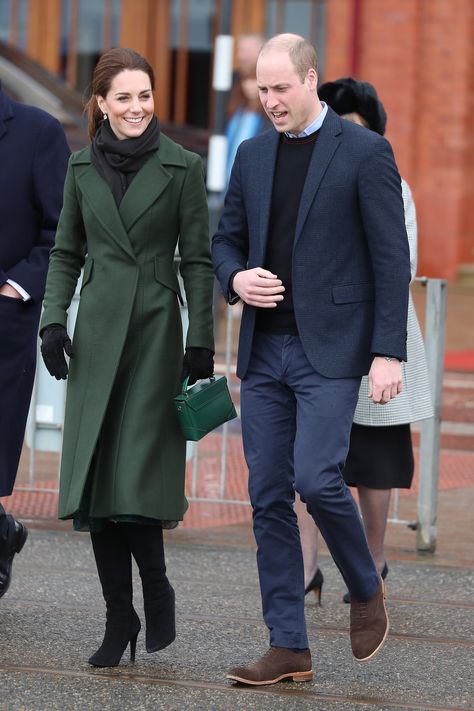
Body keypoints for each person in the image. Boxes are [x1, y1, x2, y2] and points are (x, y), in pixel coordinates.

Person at [212, 34, 411, 685]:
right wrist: (236, 278)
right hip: (264, 347)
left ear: (310, 80)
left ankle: (363, 583)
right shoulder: (251, 154)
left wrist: (388, 353)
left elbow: (391, 258)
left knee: (318, 477)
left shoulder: (364, 151)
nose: (270, 101)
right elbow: (226, 241)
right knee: (266, 492)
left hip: (331, 349)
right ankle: (287, 645)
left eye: (280, 88)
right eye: (261, 90)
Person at [39, 48, 214, 668]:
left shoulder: (183, 166)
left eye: (145, 96)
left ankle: (158, 587)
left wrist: (203, 338)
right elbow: (65, 253)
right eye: (124, 98)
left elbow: (196, 257)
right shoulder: (80, 165)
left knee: (134, 473)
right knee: (93, 479)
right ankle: (121, 617)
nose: (137, 108)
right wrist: (53, 322)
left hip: (155, 333)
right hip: (95, 335)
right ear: (102, 103)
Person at [296, 77, 433, 605]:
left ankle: (371, 566)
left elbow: (404, 263)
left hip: (377, 335)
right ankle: (306, 569)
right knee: (304, 463)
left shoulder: (392, 185)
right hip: (315, 337)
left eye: (358, 129)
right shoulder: (303, 178)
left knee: (374, 462)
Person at [0, 81, 70, 599]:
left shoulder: (37, 131)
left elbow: (62, 229)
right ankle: (3, 530)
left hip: (4, 317)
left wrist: (15, 287)